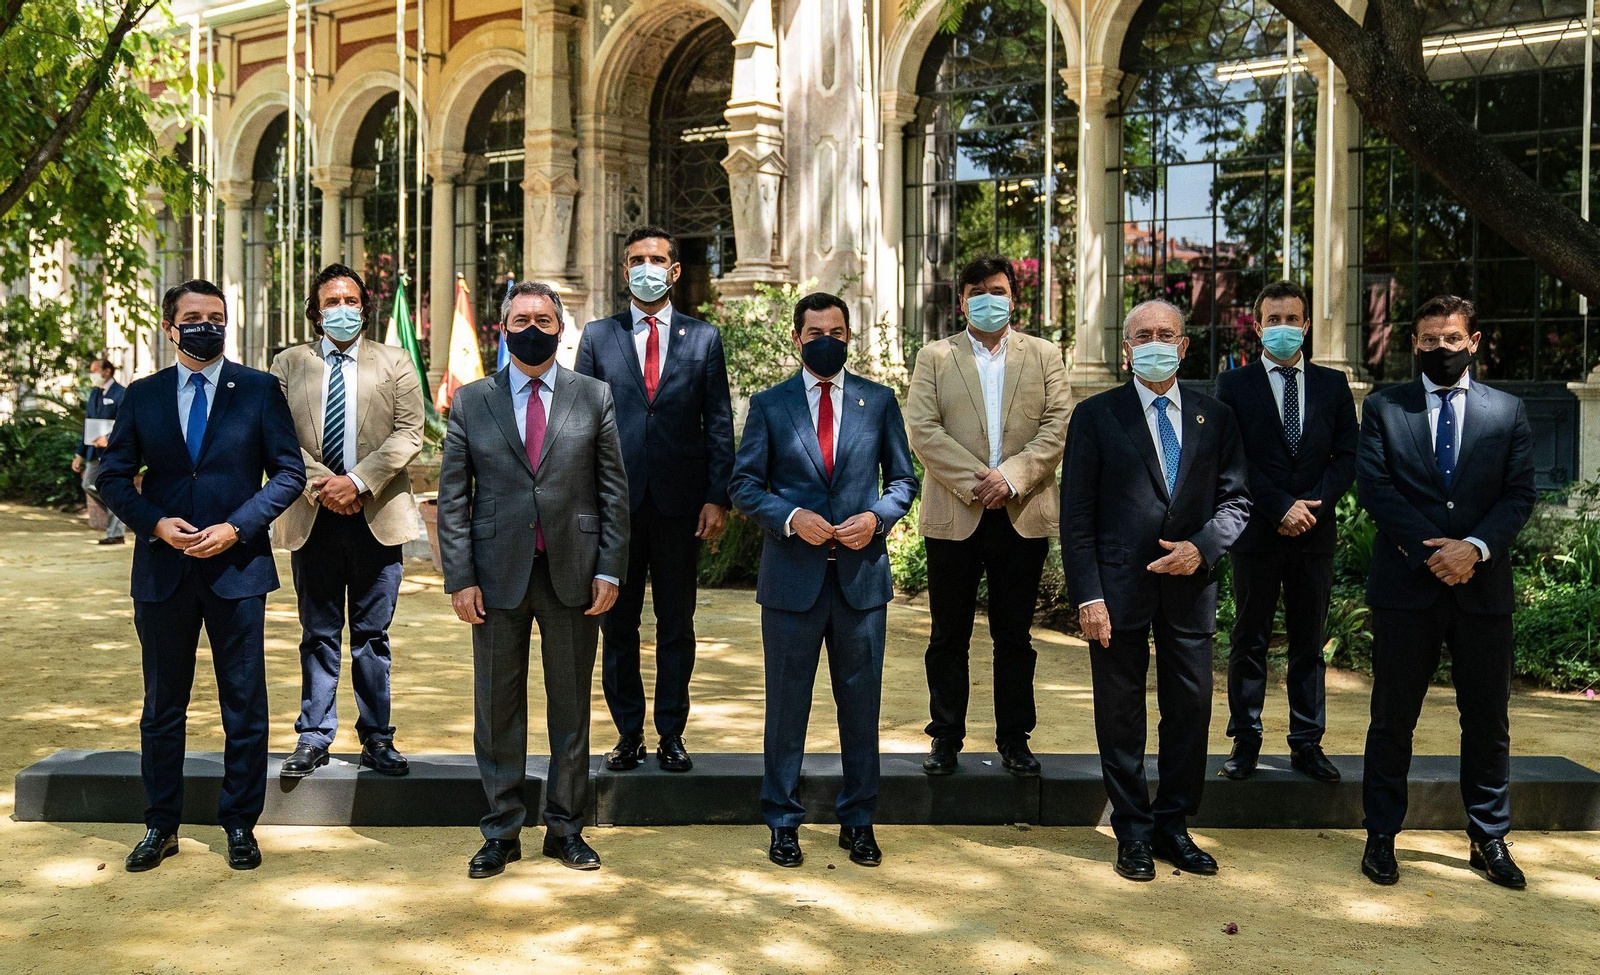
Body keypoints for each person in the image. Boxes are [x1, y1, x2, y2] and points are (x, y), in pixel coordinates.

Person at [95, 280, 306, 872]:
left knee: (243, 703)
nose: (205, 325)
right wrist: (154, 522)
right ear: (171, 328)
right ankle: (160, 824)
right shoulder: (143, 395)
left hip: (237, 569)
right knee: (163, 704)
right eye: (193, 317)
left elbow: (288, 475)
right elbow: (111, 478)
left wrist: (237, 528)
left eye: (215, 316)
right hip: (163, 570)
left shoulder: (260, 391)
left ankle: (241, 823)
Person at [437, 281, 630, 877]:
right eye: (521, 318)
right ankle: (500, 831)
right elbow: (452, 499)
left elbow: (613, 491)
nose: (533, 328)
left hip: (574, 571)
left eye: (544, 320)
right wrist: (459, 577)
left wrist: (610, 567)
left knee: (570, 707)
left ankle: (566, 828)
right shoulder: (472, 400)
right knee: (497, 706)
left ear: (561, 329)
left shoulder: (593, 395)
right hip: (495, 577)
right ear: (502, 327)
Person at [1061, 299, 1250, 882]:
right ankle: (1133, 831)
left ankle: (1173, 824)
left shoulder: (1214, 417)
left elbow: (1238, 501)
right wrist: (1088, 596)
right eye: (1143, 334)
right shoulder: (1095, 416)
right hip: (1116, 593)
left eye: (1166, 333)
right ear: (1126, 349)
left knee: (1190, 709)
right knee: (1120, 712)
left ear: (1185, 345)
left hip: (1191, 590)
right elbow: (1077, 518)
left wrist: (1203, 547)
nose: (1155, 342)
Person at [729, 292, 919, 869]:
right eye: (815, 333)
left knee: (860, 707)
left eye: (837, 331)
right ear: (797, 338)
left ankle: (858, 821)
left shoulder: (880, 401)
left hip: (862, 582)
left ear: (848, 336)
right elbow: (744, 485)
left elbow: (903, 482)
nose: (827, 340)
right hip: (792, 581)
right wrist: (790, 517)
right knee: (787, 708)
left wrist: (878, 517)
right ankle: (783, 822)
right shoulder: (768, 405)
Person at [1355, 295, 1536, 889]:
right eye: (1429, 340)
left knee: (1487, 720)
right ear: (1414, 343)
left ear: (1474, 342)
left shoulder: (1507, 412)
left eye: (1452, 339)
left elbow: (1518, 494)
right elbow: (1375, 489)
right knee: (1392, 718)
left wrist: (1474, 549)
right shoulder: (1384, 408)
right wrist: (1435, 552)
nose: (1441, 349)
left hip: (1483, 591)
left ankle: (1489, 838)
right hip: (1408, 587)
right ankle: (1381, 837)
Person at [575, 226, 736, 773]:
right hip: (613, 508)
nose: (646, 267)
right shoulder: (598, 336)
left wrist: (718, 498)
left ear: (674, 270)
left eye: (657, 259)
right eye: (636, 259)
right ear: (625, 272)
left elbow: (718, 423)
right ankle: (627, 734)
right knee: (617, 627)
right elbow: (579, 425)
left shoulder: (703, 338)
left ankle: (671, 732)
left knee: (676, 622)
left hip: (679, 507)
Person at [904, 255, 1070, 777]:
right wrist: (981, 481)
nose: (988, 298)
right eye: (976, 290)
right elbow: (923, 430)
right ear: (962, 300)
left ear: (1013, 296)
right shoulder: (935, 356)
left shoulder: (1044, 355)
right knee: (947, 635)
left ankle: (1014, 739)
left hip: (1022, 513)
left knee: (1015, 637)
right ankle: (945, 738)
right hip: (955, 512)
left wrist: (1013, 477)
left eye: (997, 289)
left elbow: (1057, 425)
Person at [270, 264, 425, 779]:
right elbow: (277, 439)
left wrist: (357, 482)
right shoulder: (288, 364)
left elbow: (408, 434)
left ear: (365, 306)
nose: (342, 309)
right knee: (317, 631)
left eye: (351, 300)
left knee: (371, 634)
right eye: (331, 301)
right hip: (311, 514)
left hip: (376, 514)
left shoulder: (397, 361)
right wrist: (326, 485)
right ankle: (313, 737)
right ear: (315, 311)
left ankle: (377, 738)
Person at [1214, 280, 1357, 782]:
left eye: (1291, 319)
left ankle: (1306, 743)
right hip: (1257, 532)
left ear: (1306, 325)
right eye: (1272, 320)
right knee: (1248, 638)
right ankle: (1246, 741)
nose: (1282, 328)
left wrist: (1312, 506)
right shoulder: (1234, 386)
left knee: (1308, 642)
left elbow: (1348, 456)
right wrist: (1279, 507)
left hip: (1314, 533)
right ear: (1257, 328)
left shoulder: (1333, 386)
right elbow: (1233, 459)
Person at [74, 358, 127, 544]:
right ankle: (121, 512)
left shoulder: (121, 393)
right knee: (88, 484)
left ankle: (116, 532)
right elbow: (87, 425)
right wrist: (79, 454)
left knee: (111, 489)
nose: (93, 374)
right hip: (93, 453)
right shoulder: (94, 393)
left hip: (112, 453)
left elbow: (126, 424)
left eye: (95, 370)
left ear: (107, 371)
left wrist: (109, 439)